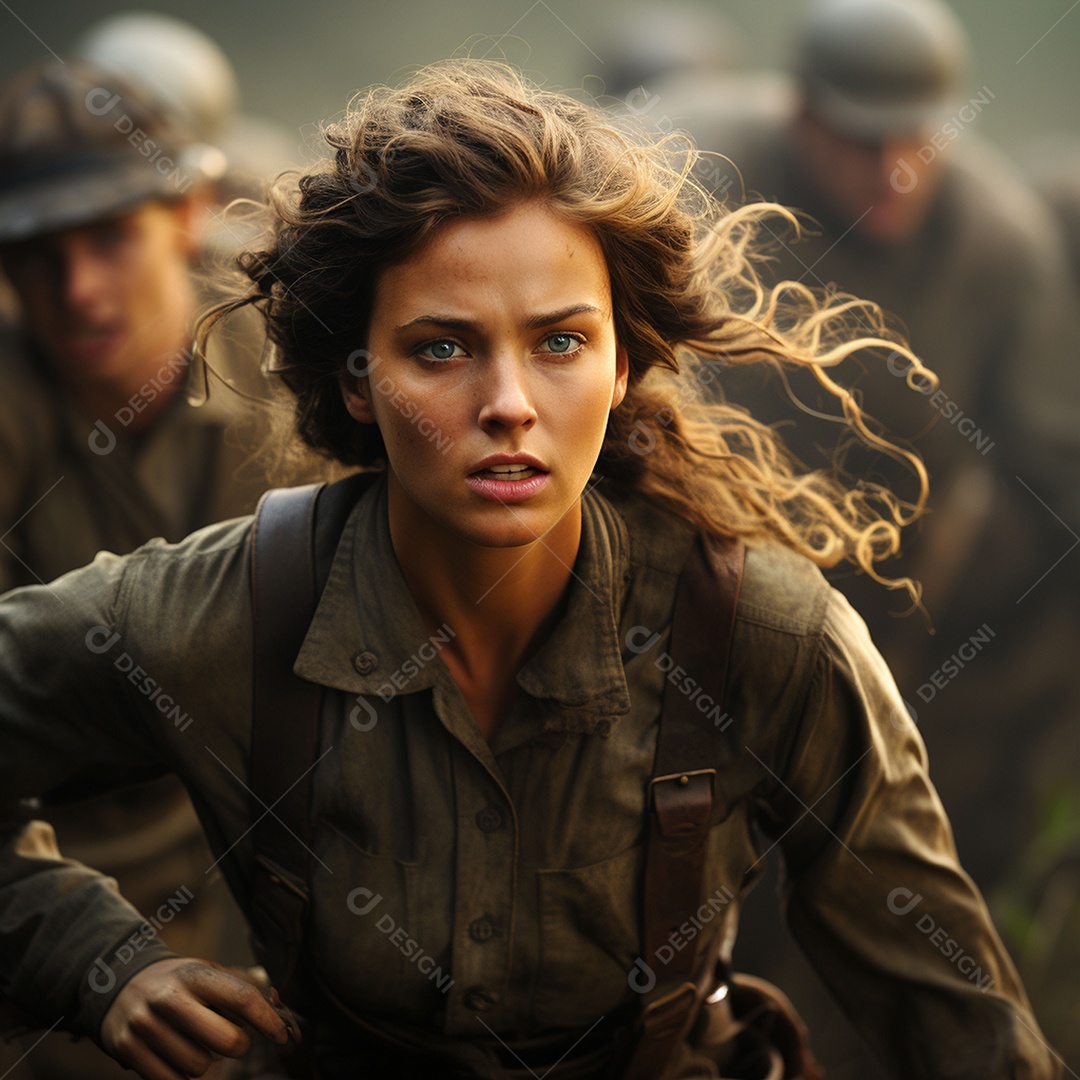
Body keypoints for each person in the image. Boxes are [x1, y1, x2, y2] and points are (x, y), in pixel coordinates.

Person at [0, 61, 1061, 1080]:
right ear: (358, 380)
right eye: (442, 349)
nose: (508, 402)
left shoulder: (764, 638)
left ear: (626, 362)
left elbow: (960, 1020)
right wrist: (96, 958)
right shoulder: (225, 610)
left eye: (559, 343)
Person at [0, 59, 285, 1080]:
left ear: (188, 211)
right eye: (35, 253)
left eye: (110, 237)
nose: (75, 290)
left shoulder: (290, 363)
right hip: (40, 871)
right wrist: (95, 958)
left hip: (276, 848)